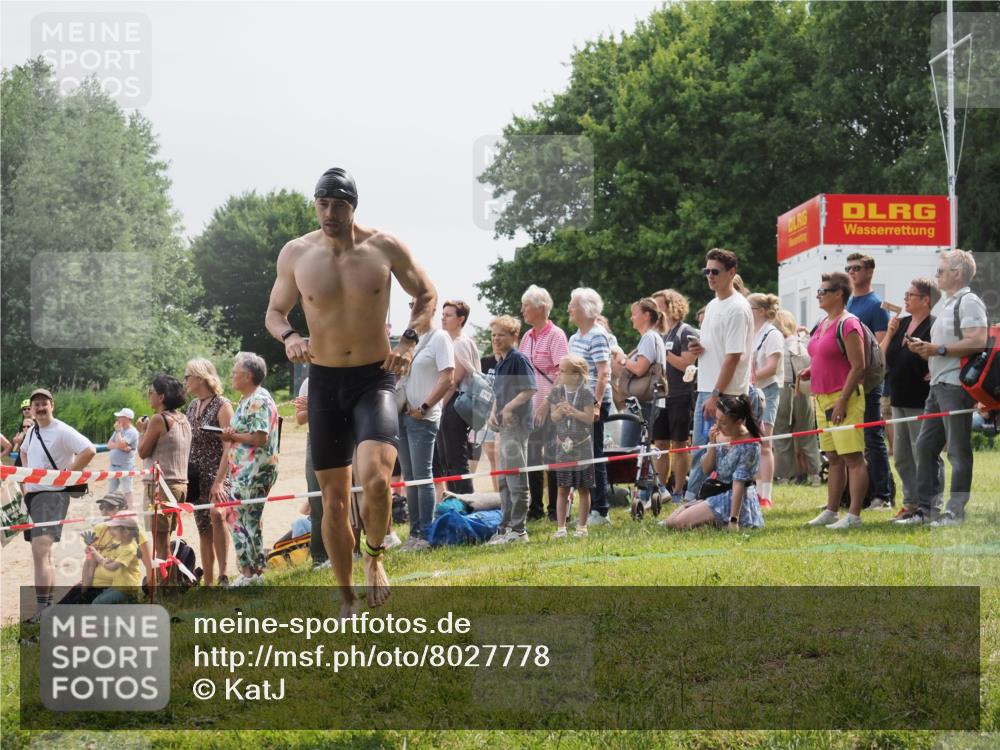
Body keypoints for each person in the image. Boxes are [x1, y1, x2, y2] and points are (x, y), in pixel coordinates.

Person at [265, 166, 437, 614]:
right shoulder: (297, 254)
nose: (329, 212)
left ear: (352, 206)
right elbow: (275, 313)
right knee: (334, 501)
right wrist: (289, 338)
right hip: (323, 381)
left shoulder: (384, 247)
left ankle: (375, 558)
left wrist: (409, 341)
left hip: (373, 377)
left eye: (338, 204)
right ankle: (346, 596)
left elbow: (427, 296)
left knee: (377, 480)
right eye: (322, 203)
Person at [903, 249, 988, 526]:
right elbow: (946, 350)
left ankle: (955, 513)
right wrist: (927, 352)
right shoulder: (949, 304)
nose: (937, 275)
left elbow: (977, 341)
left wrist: (937, 348)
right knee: (925, 447)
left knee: (957, 451)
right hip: (938, 386)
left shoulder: (969, 301)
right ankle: (926, 511)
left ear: (957, 273)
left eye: (941, 271)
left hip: (956, 387)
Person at [19, 388, 96, 619]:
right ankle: (47, 607)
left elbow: (89, 450)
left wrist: (66, 474)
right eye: (36, 405)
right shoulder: (32, 431)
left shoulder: (61, 430)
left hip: (52, 496)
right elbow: (23, 453)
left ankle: (43, 609)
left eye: (44, 403)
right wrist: (26, 482)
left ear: (52, 405)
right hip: (34, 496)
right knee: (43, 554)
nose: (40, 408)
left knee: (40, 551)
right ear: (30, 410)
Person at [685, 248, 754, 501]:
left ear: (731, 273)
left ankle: (699, 501)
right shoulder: (714, 305)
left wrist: (715, 394)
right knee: (703, 450)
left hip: (726, 392)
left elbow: (734, 356)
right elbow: (715, 347)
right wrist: (698, 347)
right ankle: (696, 500)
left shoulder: (737, 307)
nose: (710, 276)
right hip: (708, 387)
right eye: (707, 271)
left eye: (715, 271)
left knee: (719, 453)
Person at [803, 272, 868, 530]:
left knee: (852, 457)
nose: (818, 295)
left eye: (823, 291)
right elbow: (823, 355)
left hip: (844, 398)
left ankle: (853, 515)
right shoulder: (823, 322)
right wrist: (811, 370)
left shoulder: (849, 323)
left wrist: (842, 400)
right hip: (820, 398)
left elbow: (858, 366)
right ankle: (831, 510)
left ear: (839, 294)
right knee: (833, 457)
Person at [208, 353, 280, 586]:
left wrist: (231, 435)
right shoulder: (248, 400)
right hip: (243, 471)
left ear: (247, 376)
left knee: (246, 519)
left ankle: (254, 572)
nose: (231, 376)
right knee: (236, 517)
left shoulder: (259, 400)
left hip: (255, 471)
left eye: (235, 372)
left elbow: (259, 438)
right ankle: (250, 570)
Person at [395, 302, 454, 551]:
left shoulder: (440, 338)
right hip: (402, 415)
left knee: (422, 477)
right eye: (410, 306)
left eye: (418, 306)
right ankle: (414, 533)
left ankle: (425, 534)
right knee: (409, 477)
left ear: (432, 309)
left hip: (423, 417)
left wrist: (425, 406)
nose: (413, 311)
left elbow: (447, 377)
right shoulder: (409, 339)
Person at [663, 394, 764, 530]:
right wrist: (712, 444)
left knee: (677, 524)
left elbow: (739, 483)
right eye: (716, 420)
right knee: (670, 521)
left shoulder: (750, 445)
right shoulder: (721, 436)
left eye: (723, 422)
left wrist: (734, 520)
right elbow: (706, 469)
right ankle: (707, 523)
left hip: (735, 498)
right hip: (717, 492)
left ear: (739, 421)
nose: (718, 426)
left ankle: (718, 522)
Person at [845, 252, 892, 507]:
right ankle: (855, 494)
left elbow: (880, 344)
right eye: (848, 268)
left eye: (857, 267)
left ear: (869, 271)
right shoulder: (849, 302)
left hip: (870, 380)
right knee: (854, 440)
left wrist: (863, 374)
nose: (852, 272)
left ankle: (882, 495)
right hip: (851, 379)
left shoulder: (876, 305)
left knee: (874, 436)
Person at [485, 315, 536, 545]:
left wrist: (508, 407)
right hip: (503, 428)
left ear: (513, 337)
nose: (496, 339)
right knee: (504, 479)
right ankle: (505, 528)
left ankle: (519, 529)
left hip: (516, 426)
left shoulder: (518, 359)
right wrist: (493, 412)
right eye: (493, 334)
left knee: (516, 479)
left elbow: (529, 389)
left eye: (501, 335)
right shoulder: (501, 361)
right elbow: (499, 393)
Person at [184, 357, 235, 585]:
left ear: (200, 377)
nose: (185, 380)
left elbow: (230, 446)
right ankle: (209, 582)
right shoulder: (192, 406)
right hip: (196, 475)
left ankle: (224, 574)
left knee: (218, 516)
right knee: (202, 525)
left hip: (218, 472)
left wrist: (220, 482)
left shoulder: (223, 404)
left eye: (188, 376)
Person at [520, 285, 569, 521]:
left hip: (551, 407)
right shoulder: (526, 337)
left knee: (552, 458)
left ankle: (554, 510)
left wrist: (545, 404)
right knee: (532, 458)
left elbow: (562, 374)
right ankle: (535, 508)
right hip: (530, 409)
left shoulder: (557, 335)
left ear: (541, 308)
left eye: (526, 306)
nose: (522, 311)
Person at [137, 374, 192, 575]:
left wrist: (142, 431)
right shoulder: (183, 419)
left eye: (150, 392)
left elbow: (143, 452)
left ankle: (164, 589)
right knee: (166, 539)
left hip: (160, 486)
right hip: (180, 484)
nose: (148, 395)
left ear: (161, 397)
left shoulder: (158, 420)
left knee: (160, 543)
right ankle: (170, 584)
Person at [568, 288, 613, 525]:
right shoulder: (575, 338)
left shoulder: (597, 335)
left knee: (594, 455)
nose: (569, 309)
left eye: (572, 305)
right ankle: (588, 508)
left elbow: (604, 373)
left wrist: (595, 406)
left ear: (586, 310)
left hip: (593, 403)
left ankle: (601, 510)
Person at [652, 289, 698, 503]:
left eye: (659, 305)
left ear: (672, 306)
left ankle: (679, 490)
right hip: (660, 396)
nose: (656, 310)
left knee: (680, 444)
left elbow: (687, 362)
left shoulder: (685, 331)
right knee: (660, 445)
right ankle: (662, 490)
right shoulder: (658, 334)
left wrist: (664, 353)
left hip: (681, 394)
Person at [434, 299, 480, 496]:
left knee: (456, 459)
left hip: (456, 404)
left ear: (461, 319)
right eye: (443, 314)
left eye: (449, 315)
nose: (443, 318)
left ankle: (466, 505)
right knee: (447, 459)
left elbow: (453, 382)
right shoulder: (449, 341)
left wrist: (437, 407)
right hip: (450, 403)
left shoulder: (460, 343)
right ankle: (455, 503)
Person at [615, 298, 667, 467]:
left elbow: (639, 369)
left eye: (634, 314)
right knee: (641, 446)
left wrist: (623, 360)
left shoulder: (648, 338)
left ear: (646, 316)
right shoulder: (655, 337)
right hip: (650, 401)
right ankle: (649, 490)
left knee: (629, 446)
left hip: (642, 401)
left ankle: (646, 489)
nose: (631, 318)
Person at [772, 310, 821, 486]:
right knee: (807, 433)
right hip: (803, 388)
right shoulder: (803, 342)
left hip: (781, 388)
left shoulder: (774, 342)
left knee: (781, 434)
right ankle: (815, 474)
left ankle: (785, 476)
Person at [548, 355, 595, 538]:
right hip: (563, 447)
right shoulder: (556, 392)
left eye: (562, 371)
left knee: (584, 488)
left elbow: (589, 418)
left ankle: (582, 526)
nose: (559, 374)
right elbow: (553, 418)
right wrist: (560, 411)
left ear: (576, 375)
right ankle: (561, 527)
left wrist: (573, 411)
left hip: (582, 446)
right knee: (562, 487)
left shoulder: (586, 393)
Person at [747, 293, 784, 509]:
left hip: (767, 391)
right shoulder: (751, 333)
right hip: (751, 392)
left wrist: (751, 376)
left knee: (764, 444)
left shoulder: (772, 334)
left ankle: (766, 494)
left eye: (749, 309)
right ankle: (754, 490)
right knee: (751, 443)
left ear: (760, 311)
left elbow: (772, 366)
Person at [294, 377, 330, 568]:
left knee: (342, 500)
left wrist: (314, 404)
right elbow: (299, 418)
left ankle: (347, 551)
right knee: (316, 501)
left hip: (343, 437)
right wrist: (317, 405)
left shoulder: (343, 372)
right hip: (315, 440)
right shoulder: (309, 382)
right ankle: (319, 557)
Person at [106, 408, 139, 506]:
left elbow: (119, 443)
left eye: (120, 417)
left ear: (127, 418)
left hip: (125, 467)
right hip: (113, 466)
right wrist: (122, 446)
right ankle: (111, 512)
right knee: (111, 491)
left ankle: (129, 512)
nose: (117, 418)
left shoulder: (132, 432)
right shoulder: (119, 430)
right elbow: (109, 445)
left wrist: (118, 434)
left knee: (127, 491)